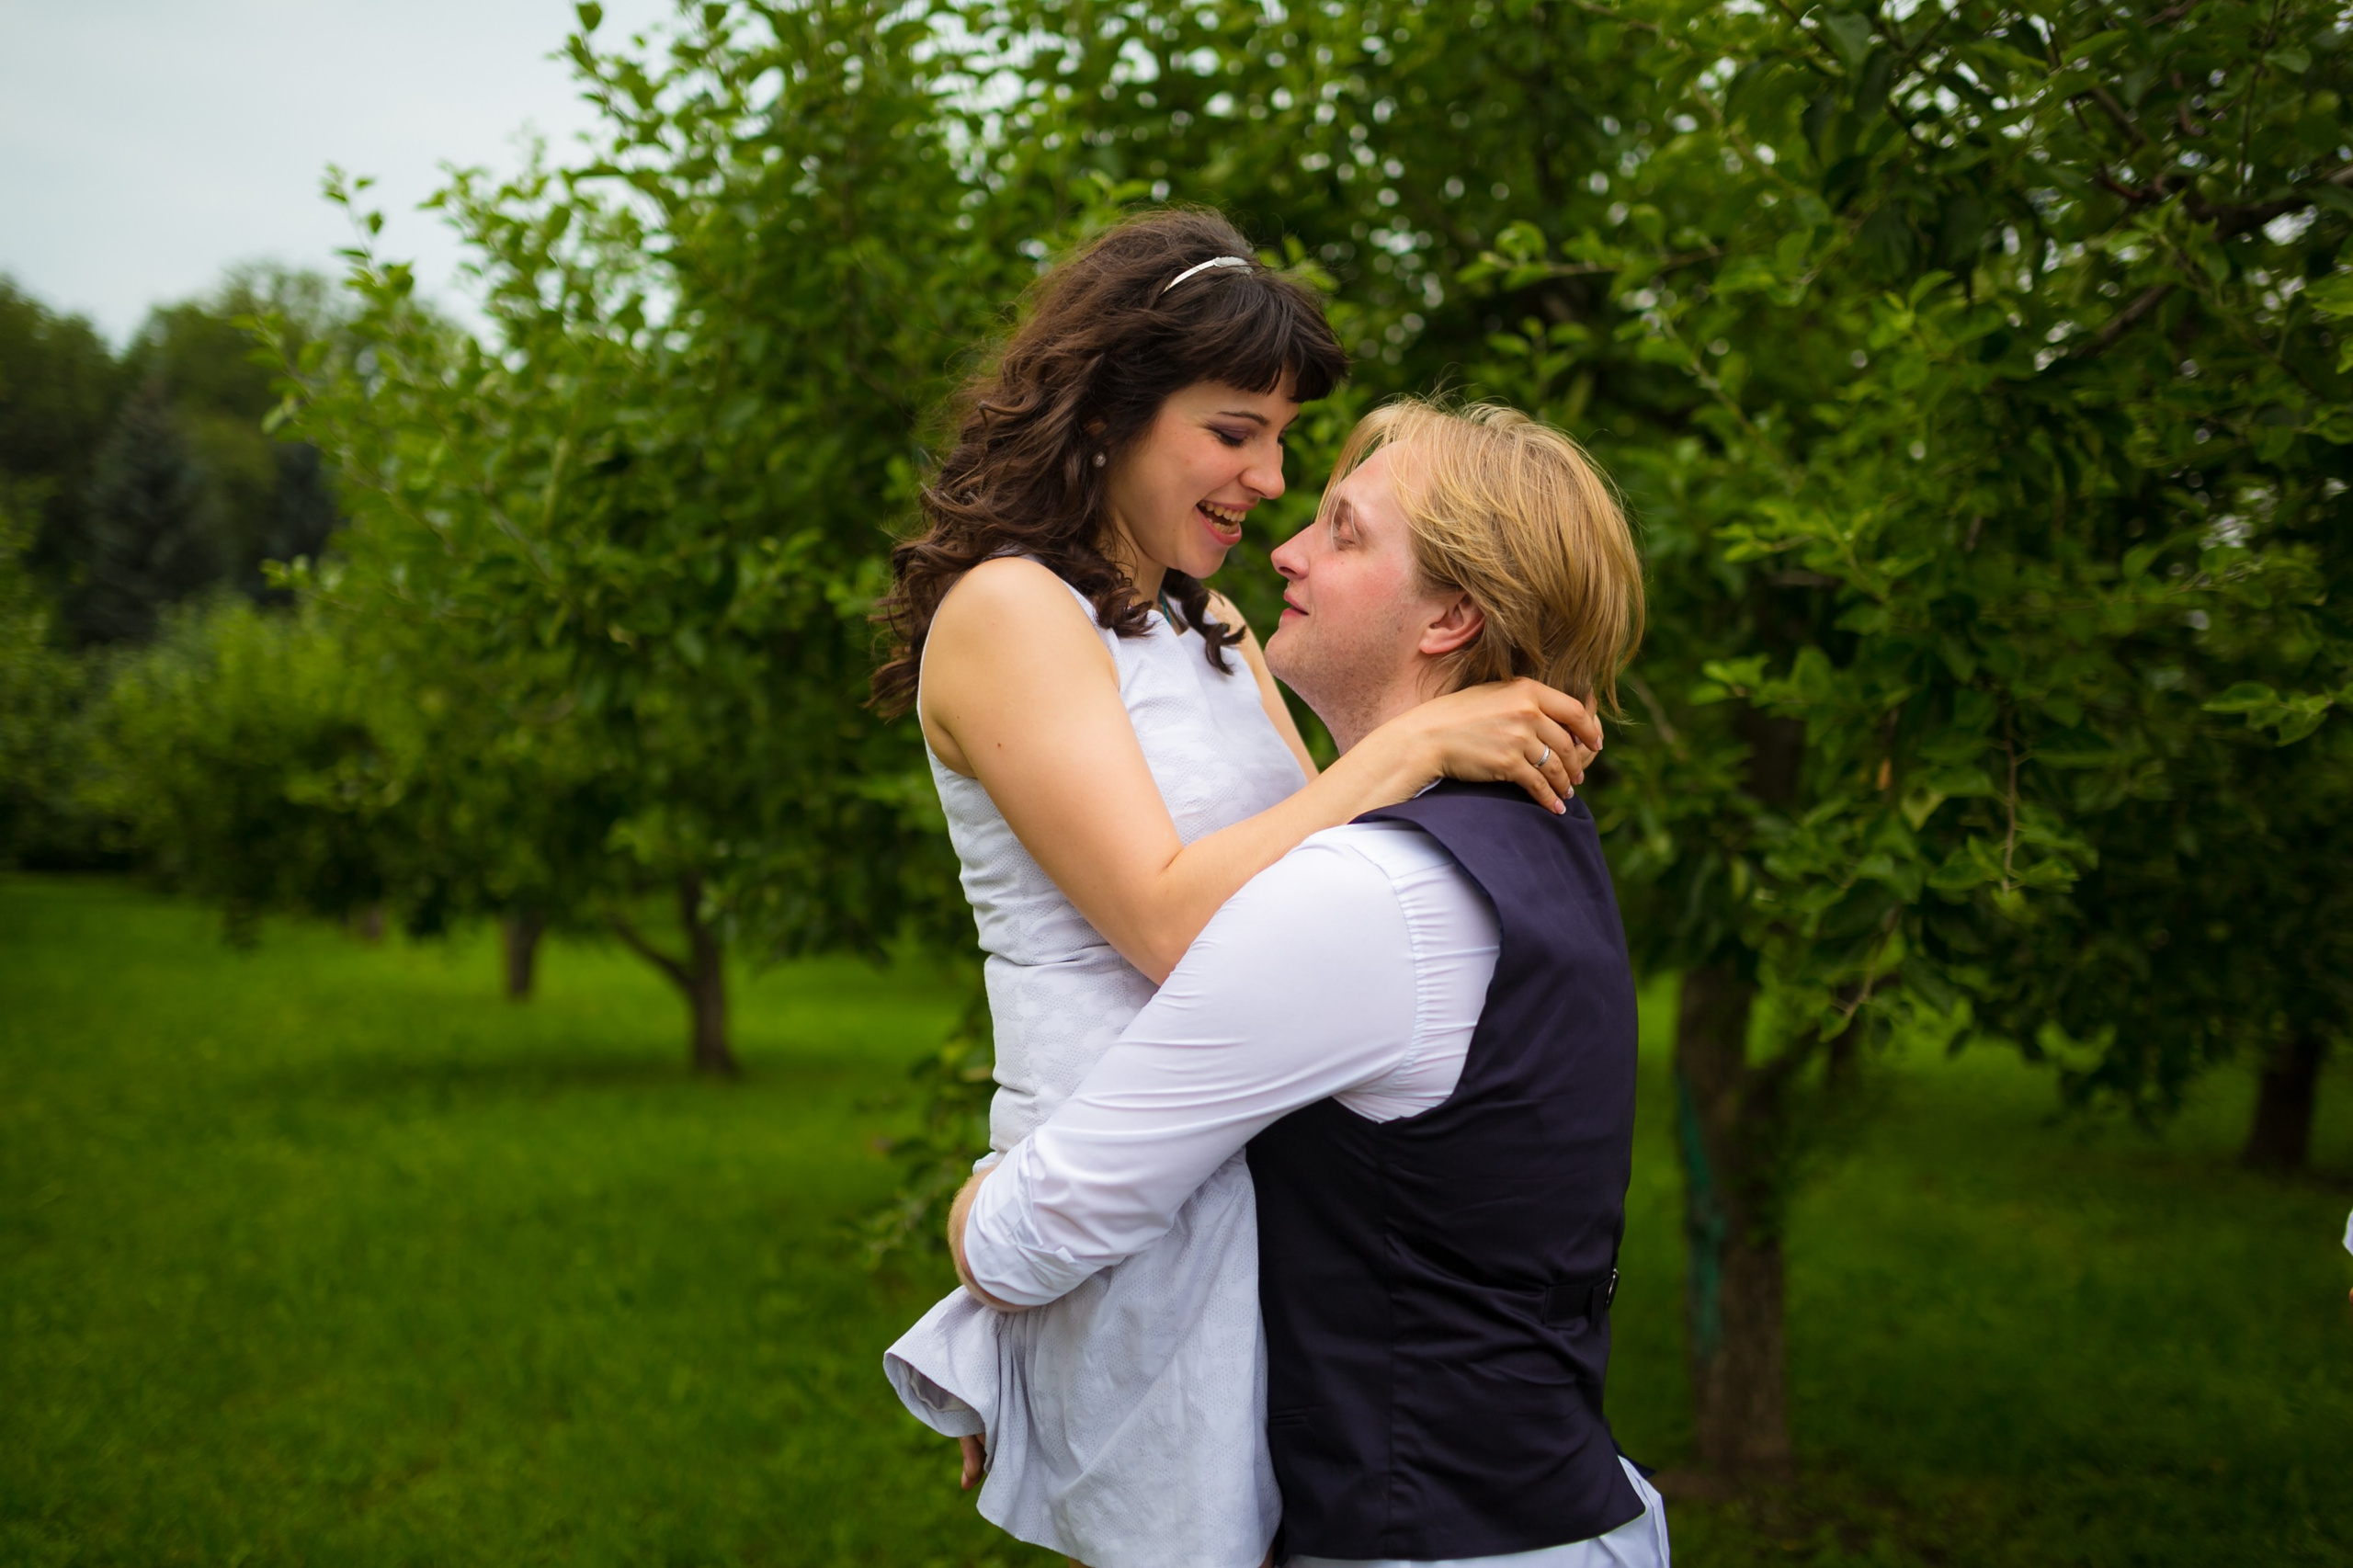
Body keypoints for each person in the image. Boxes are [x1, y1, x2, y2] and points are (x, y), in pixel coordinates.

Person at [875, 212, 1607, 1568]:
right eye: (1235, 432)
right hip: (1129, 1211)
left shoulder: (1205, 622)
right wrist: (1405, 747)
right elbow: (1167, 921)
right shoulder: (1010, 611)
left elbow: (1320, 886)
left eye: (1281, 440)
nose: (1269, 477)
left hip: (1264, 1191)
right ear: (1111, 410)